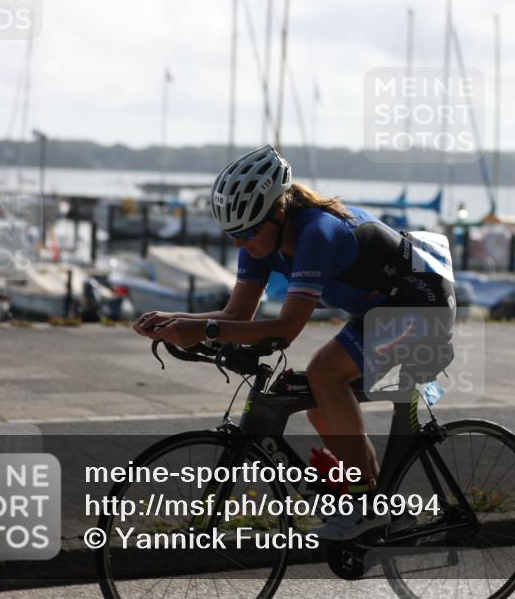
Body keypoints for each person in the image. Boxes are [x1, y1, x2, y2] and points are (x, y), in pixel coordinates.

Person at [133, 144, 456, 540]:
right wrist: (178, 321)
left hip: (422, 303)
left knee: (325, 374)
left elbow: (286, 329)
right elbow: (237, 315)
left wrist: (205, 331)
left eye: (247, 233)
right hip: (382, 307)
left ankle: (365, 504)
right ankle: (375, 502)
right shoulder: (260, 240)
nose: (239, 243)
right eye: (233, 234)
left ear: (279, 214)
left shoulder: (318, 233)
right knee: (315, 396)